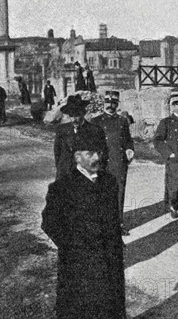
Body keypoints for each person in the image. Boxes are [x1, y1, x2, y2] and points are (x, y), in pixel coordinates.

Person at [41, 134, 126, 319]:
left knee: (110, 305)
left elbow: (112, 218)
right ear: (77, 157)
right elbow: (49, 222)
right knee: (80, 306)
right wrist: (72, 246)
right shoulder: (63, 187)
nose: (96, 158)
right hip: (79, 263)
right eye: (90, 153)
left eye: (99, 152)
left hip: (109, 258)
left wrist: (115, 242)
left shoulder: (109, 182)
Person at [93, 91, 134, 236]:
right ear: (103, 103)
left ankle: (118, 224)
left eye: (114, 103)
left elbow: (128, 140)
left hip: (118, 162)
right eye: (108, 102)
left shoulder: (122, 121)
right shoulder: (95, 121)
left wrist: (130, 149)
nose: (110, 105)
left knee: (118, 192)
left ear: (117, 104)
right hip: (101, 164)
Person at [54, 95, 108, 181]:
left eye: (77, 115)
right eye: (71, 116)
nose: (74, 119)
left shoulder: (95, 131)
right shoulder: (62, 130)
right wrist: (62, 170)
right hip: (65, 177)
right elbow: (58, 155)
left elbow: (102, 156)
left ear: (83, 113)